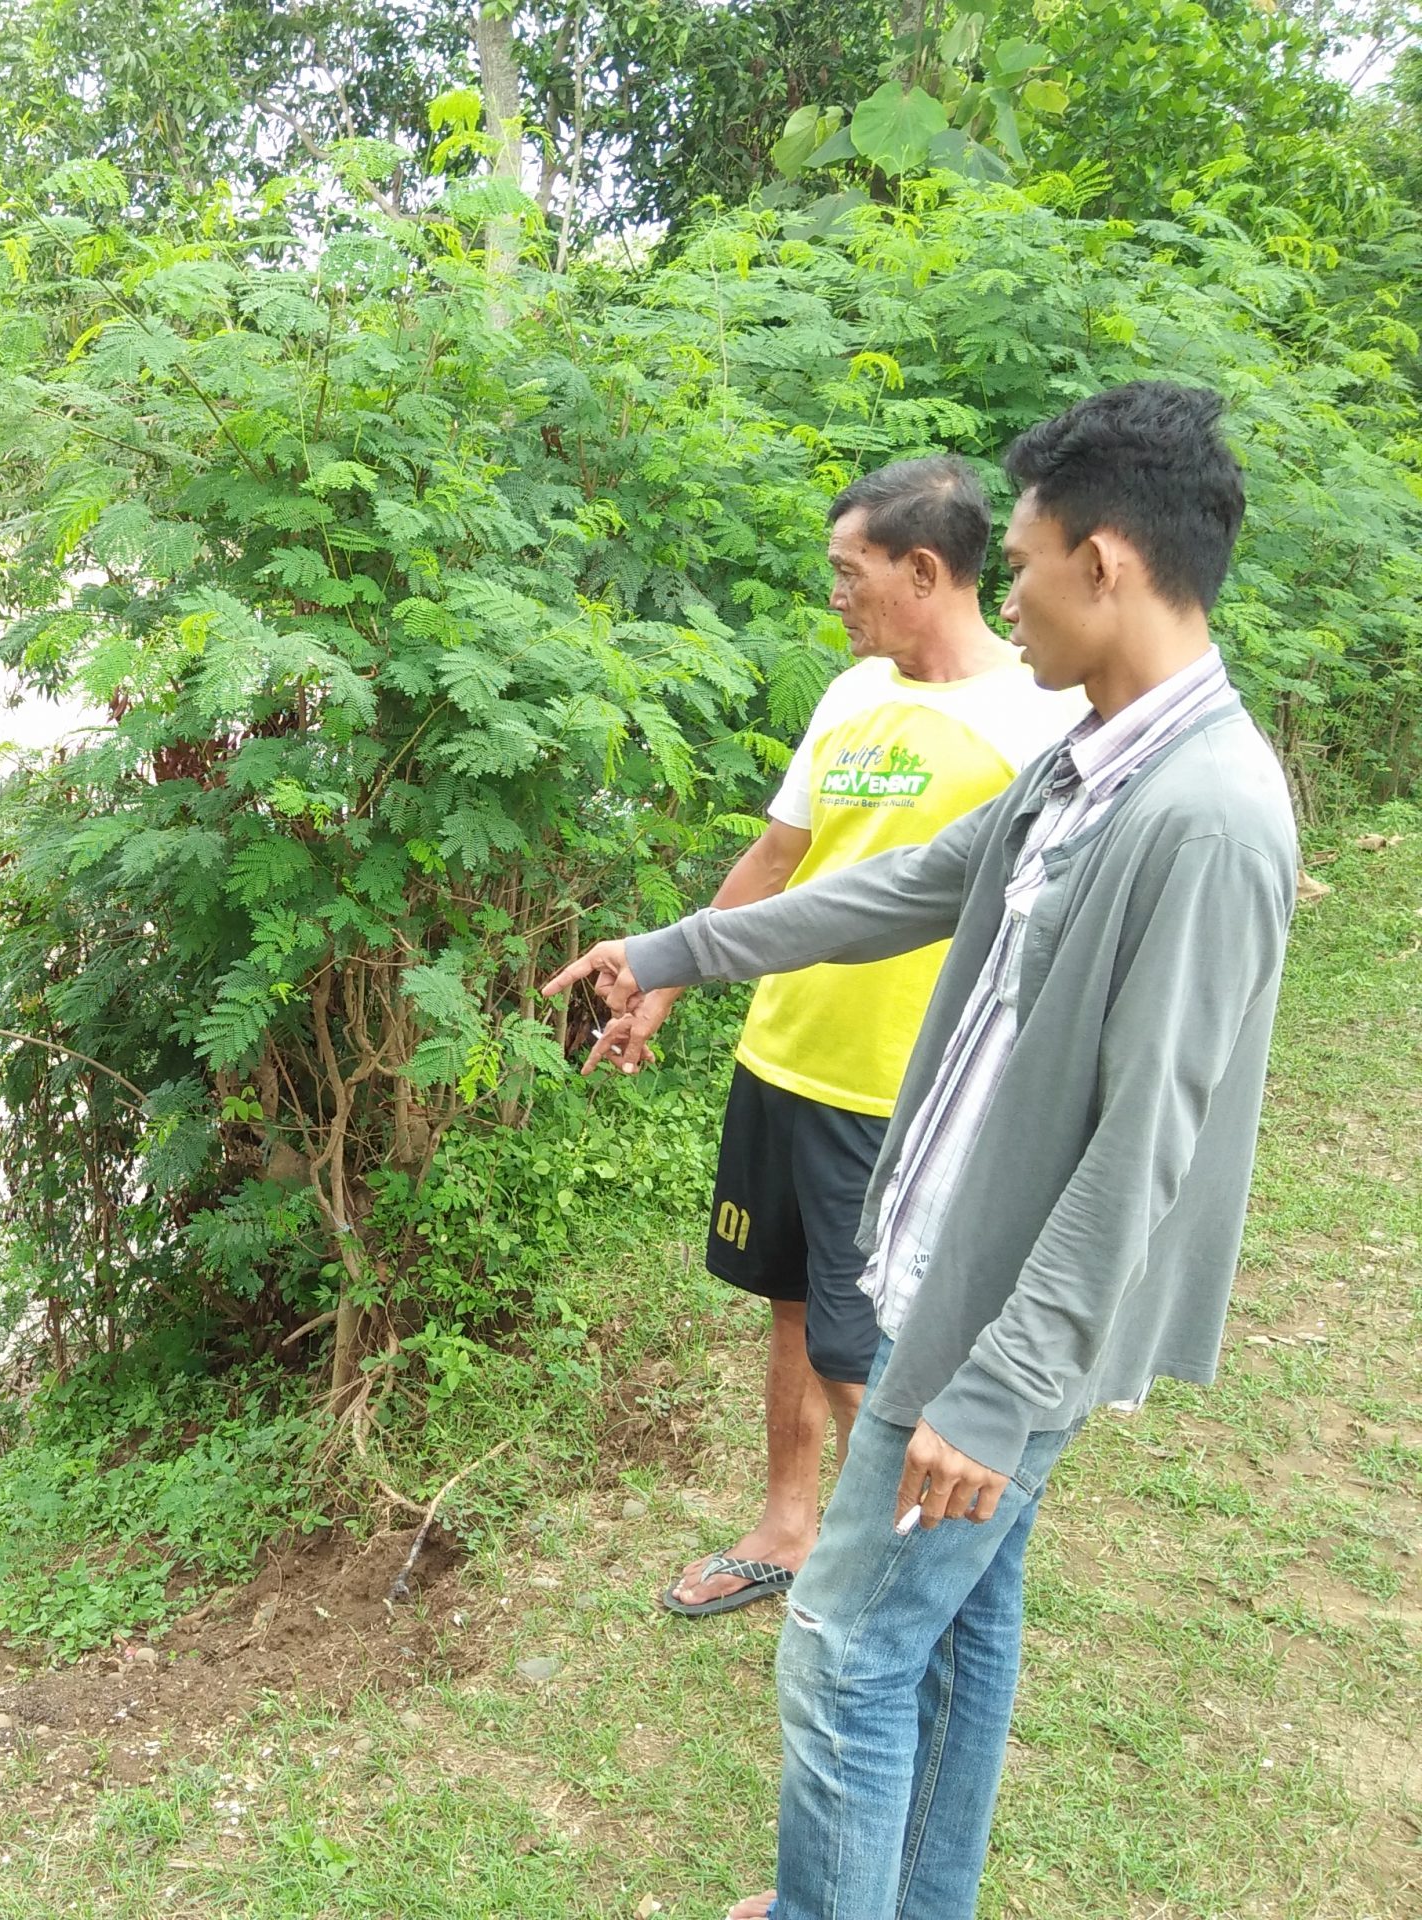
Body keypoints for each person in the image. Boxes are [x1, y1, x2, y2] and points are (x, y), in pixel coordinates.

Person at [546, 381, 1295, 1920]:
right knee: (957, 1619)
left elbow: (1151, 1141)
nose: (1002, 596)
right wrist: (673, 945)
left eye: (1018, 564)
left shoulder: (1209, 814)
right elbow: (890, 890)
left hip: (996, 1324)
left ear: (1105, 563)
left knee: (840, 1646)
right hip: (952, 1265)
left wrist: (1005, 1389)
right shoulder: (1087, 765)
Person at [610, 457, 1083, 1618]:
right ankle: (786, 1524)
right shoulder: (850, 694)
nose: (834, 595)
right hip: (783, 1058)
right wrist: (666, 982)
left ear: (924, 570)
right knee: (790, 1305)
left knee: (867, 1342)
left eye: (848, 571)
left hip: (899, 1088)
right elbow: (779, 864)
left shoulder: (1043, 718)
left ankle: (893, 1570)